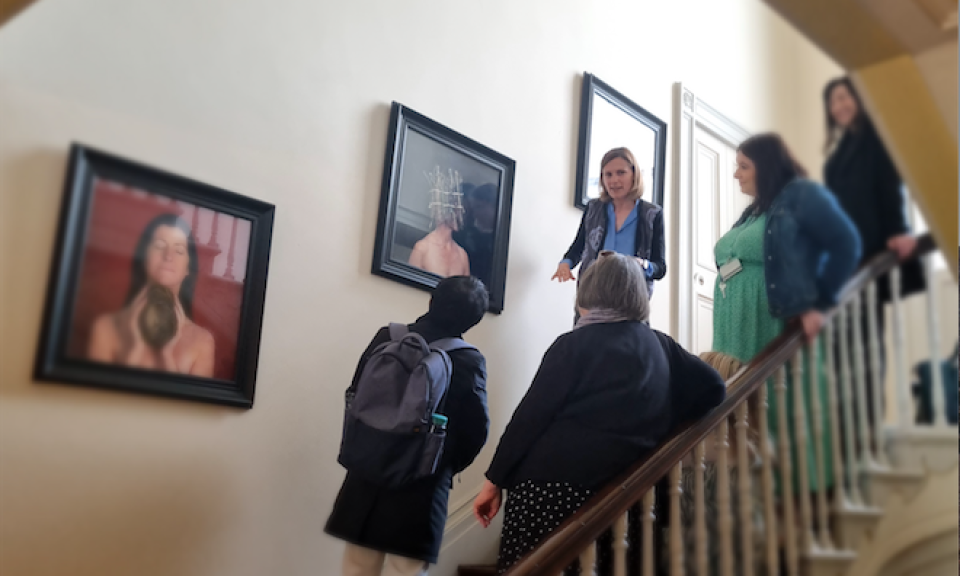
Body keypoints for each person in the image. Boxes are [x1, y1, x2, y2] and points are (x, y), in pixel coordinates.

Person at [473, 252, 725, 575]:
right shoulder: (662, 346)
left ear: (587, 294)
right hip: (627, 495)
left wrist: (493, 482)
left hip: (551, 490)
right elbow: (715, 387)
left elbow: (530, 418)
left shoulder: (573, 344)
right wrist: (663, 425)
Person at [711, 133, 860, 516]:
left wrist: (819, 302)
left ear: (768, 166)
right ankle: (755, 500)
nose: (735, 174)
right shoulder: (756, 210)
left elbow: (846, 243)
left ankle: (791, 500)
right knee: (745, 410)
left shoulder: (802, 196)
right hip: (734, 325)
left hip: (770, 322)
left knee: (777, 406)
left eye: (744, 166)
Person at [325, 276, 490, 576]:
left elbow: (355, 394)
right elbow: (476, 431)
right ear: (473, 321)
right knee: (406, 570)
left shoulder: (387, 337)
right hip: (421, 485)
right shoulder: (467, 360)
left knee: (357, 566)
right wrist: (443, 466)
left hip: (367, 473)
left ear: (431, 301)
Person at [822, 76, 925, 420]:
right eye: (834, 101)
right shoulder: (835, 160)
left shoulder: (876, 142)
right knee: (838, 347)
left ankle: (868, 424)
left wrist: (898, 229)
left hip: (869, 255)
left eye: (845, 97)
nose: (840, 106)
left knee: (866, 342)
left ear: (859, 99)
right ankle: (848, 426)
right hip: (843, 260)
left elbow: (889, 187)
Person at [87, 213, 215, 377]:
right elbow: (96, 400)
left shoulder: (202, 342)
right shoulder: (105, 328)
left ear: (188, 268)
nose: (168, 256)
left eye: (179, 250)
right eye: (160, 245)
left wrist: (166, 355)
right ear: (145, 256)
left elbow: (190, 404)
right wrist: (136, 349)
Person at [552, 148, 666, 302]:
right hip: (592, 296)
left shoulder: (652, 214)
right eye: (608, 174)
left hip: (631, 300)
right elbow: (578, 247)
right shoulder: (593, 208)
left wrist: (643, 265)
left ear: (634, 174)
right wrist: (565, 264)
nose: (614, 180)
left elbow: (660, 268)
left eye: (621, 173)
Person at [409, 167, 471, 277]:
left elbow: (467, 293)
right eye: (457, 208)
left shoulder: (462, 255)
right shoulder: (423, 248)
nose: (461, 214)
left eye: (464, 211)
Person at [453, 183, 497, 289]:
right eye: (474, 209)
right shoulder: (467, 236)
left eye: (480, 207)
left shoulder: (502, 242)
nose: (476, 213)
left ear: (494, 206)